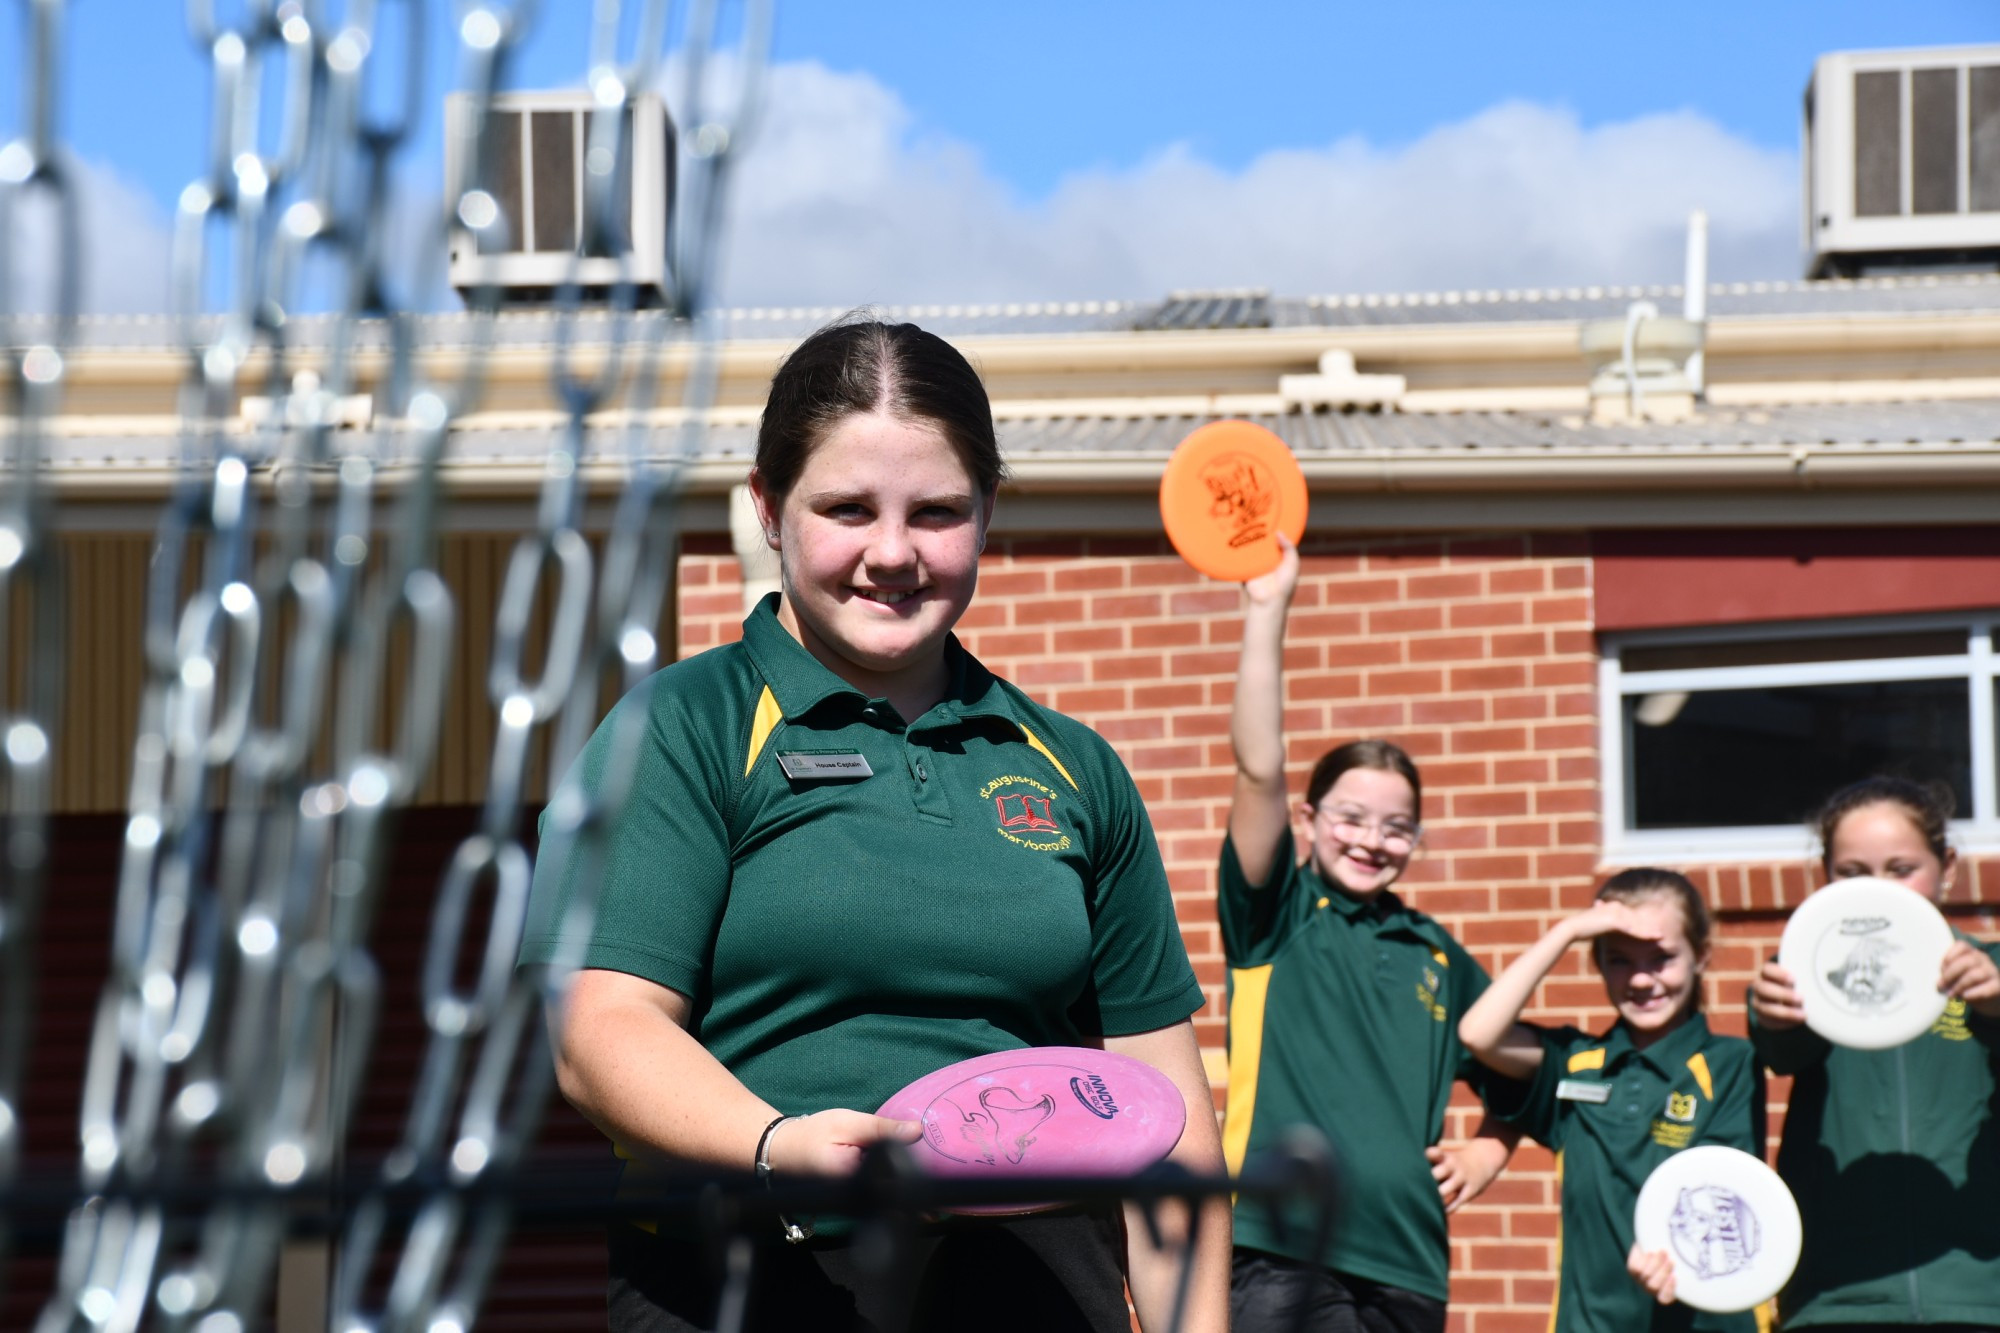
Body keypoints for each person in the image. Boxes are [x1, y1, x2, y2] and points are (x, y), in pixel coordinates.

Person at [519, 318, 1229, 1333]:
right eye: (846, 508)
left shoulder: (1073, 767)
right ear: (768, 508)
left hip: (1036, 1291)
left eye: (935, 512)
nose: (890, 553)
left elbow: (1162, 1098)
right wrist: (778, 1144)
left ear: (986, 515)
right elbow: (600, 1030)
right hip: (756, 1278)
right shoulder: (684, 726)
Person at [1219, 534, 1516, 1333]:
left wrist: (1491, 1147)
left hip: (1410, 1259)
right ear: (1311, 819)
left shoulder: (1438, 953)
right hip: (1278, 1245)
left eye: (1397, 826)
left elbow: (1527, 1073)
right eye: (1350, 816)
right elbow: (1258, 768)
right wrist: (1266, 607)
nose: (1371, 839)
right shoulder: (1272, 912)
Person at [1457, 868, 1765, 1331]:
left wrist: (1672, 1251)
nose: (1641, 980)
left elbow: (1722, 1198)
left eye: (1661, 958)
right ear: (1597, 962)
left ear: (1700, 956)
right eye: (1619, 959)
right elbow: (1478, 1033)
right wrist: (1568, 931)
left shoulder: (1731, 1063)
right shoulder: (1575, 1062)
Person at [1748, 776, 2000, 1331]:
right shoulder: (1800, 974)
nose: (1879, 889)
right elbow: (1780, 1051)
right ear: (1827, 879)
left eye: (1902, 868)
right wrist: (1775, 1013)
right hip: (1837, 1297)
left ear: (1948, 867)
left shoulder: (1991, 972)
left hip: (1979, 1292)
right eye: (1853, 872)